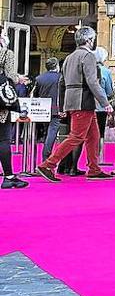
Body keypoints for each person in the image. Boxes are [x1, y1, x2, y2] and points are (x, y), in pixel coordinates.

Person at [35, 27, 112, 182]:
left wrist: (63, 105)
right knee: (76, 136)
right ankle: (48, 164)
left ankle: (94, 168)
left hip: (74, 100)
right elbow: (92, 82)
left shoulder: (69, 58)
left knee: (93, 136)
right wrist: (106, 103)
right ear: (89, 40)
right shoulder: (88, 56)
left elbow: (61, 84)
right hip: (83, 101)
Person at [0, 34, 28, 189]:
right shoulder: (5, 53)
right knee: (3, 139)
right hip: (1, 102)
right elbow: (10, 75)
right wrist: (19, 79)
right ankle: (9, 176)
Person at [32, 57, 61, 165]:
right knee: (52, 133)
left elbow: (35, 94)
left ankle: (45, 155)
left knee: (47, 131)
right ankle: (46, 157)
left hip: (43, 109)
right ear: (57, 66)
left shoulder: (39, 78)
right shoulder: (60, 77)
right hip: (56, 109)